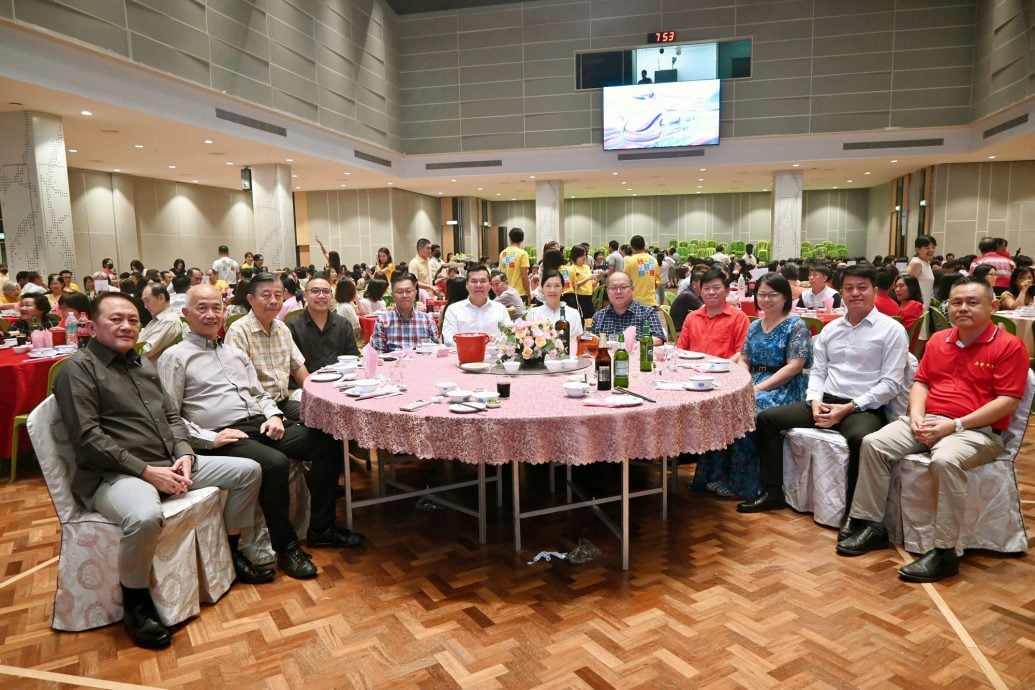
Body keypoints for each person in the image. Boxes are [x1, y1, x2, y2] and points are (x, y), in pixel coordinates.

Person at [55, 291, 269, 649]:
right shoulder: (78, 370)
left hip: (170, 463)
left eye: (133, 320)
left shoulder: (142, 365)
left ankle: (232, 552)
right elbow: (88, 438)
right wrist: (146, 471)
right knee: (144, 516)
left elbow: (172, 417)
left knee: (248, 470)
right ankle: (136, 604)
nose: (126, 326)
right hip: (117, 474)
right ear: (92, 325)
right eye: (115, 319)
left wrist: (184, 452)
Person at [159, 285, 362, 581]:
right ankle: (287, 547)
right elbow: (169, 417)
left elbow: (259, 394)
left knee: (328, 441)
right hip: (221, 434)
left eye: (217, 308)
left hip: (259, 423)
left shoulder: (233, 354)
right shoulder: (174, 357)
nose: (211, 314)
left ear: (225, 312)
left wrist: (274, 415)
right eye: (202, 308)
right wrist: (209, 438)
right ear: (185, 313)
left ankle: (321, 529)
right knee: (274, 463)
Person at [836, 278, 1029, 582]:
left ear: (992, 306)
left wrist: (954, 425)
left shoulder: (1009, 346)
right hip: (929, 419)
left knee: (945, 461)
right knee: (873, 444)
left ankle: (944, 552)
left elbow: (1007, 402)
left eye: (972, 302)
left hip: (975, 430)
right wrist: (914, 416)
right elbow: (921, 382)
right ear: (946, 306)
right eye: (956, 302)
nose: (963, 308)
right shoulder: (940, 341)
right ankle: (871, 524)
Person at [737, 265, 909, 523]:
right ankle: (773, 492)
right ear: (841, 292)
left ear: (875, 291)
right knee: (767, 420)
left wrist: (849, 407)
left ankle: (856, 516)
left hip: (863, 407)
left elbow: (890, 384)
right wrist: (815, 400)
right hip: (825, 399)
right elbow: (817, 372)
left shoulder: (891, 330)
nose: (855, 293)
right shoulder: (832, 329)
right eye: (849, 288)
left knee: (861, 439)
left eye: (862, 288)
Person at [693, 274, 813, 498]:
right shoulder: (756, 325)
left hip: (784, 386)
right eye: (762, 295)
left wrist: (759, 388)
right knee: (719, 407)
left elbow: (794, 366)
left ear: (785, 297)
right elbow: (745, 359)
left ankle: (743, 485)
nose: (766, 299)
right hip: (752, 381)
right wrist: (745, 382)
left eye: (772, 295)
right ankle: (714, 475)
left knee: (747, 412)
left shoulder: (797, 325)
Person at [225, 273, 310, 421]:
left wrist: (314, 398)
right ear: (251, 299)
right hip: (255, 409)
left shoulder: (282, 328)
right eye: (266, 295)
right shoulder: (238, 331)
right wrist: (272, 414)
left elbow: (298, 367)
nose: (274, 301)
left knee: (326, 418)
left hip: (283, 402)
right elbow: (239, 384)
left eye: (278, 295)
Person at [287, 274, 359, 373]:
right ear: (305, 296)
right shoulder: (292, 327)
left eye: (326, 291)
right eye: (315, 291)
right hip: (304, 385)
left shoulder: (344, 324)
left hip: (339, 382)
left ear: (332, 296)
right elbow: (291, 367)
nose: (321, 296)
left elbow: (352, 358)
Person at [676, 269, 749, 359]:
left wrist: (724, 365)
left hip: (725, 370)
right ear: (701, 292)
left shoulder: (739, 318)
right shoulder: (692, 317)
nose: (711, 292)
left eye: (716, 288)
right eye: (706, 288)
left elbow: (741, 352)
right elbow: (681, 349)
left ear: (727, 291)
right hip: (693, 368)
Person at [441, 265, 512, 345]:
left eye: (483, 281)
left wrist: (492, 340)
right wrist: (476, 343)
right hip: (463, 356)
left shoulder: (500, 309)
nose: (478, 285)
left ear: (489, 285)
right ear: (466, 285)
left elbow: (509, 337)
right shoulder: (453, 310)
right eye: (474, 281)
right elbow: (449, 339)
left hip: (494, 356)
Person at [370, 273, 439, 352]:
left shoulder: (427, 319)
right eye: (399, 292)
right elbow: (378, 354)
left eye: (408, 291)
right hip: (394, 363)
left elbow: (436, 350)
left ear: (415, 293)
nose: (404, 295)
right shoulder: (382, 321)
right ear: (392, 295)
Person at [590, 272, 664, 345]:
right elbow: (591, 341)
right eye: (613, 288)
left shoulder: (647, 312)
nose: (618, 291)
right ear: (607, 291)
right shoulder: (598, 316)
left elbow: (658, 339)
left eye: (623, 287)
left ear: (632, 288)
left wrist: (635, 343)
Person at [525, 270, 584, 342]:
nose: (552, 290)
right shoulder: (533, 313)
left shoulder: (574, 314)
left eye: (557, 285)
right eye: (548, 285)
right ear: (542, 288)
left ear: (563, 289)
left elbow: (578, 342)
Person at [137, 284, 182, 361]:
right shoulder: (159, 318)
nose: (145, 306)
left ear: (161, 298)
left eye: (147, 301)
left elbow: (146, 352)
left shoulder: (170, 321)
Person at [623, 235, 660, 307]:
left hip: (635, 302)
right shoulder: (653, 260)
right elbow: (657, 281)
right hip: (651, 301)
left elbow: (624, 280)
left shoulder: (630, 261)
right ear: (644, 246)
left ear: (632, 247)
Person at [499, 227, 531, 301]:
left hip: (505, 292)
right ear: (522, 239)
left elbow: (500, 273)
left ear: (509, 238)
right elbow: (524, 276)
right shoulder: (523, 253)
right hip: (519, 293)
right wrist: (529, 293)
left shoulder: (503, 253)